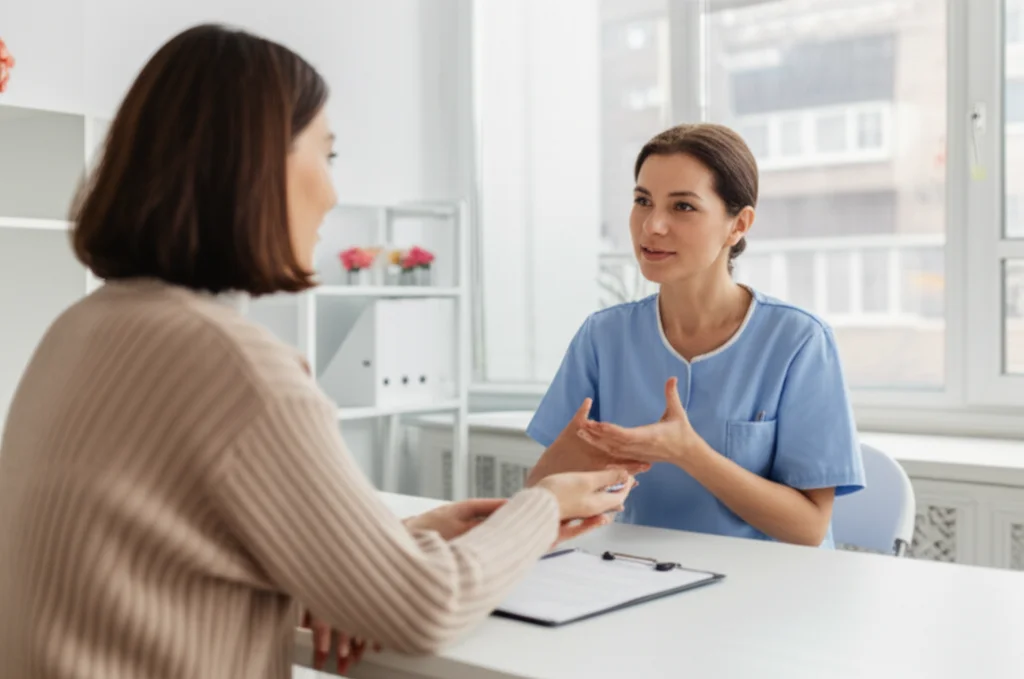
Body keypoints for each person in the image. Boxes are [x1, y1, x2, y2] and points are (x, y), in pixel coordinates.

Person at [0, 24, 634, 679]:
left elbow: (160, 561)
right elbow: (423, 608)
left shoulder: (79, 329)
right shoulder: (235, 365)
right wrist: (544, 505)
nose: (332, 194)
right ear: (255, 160)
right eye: (326, 156)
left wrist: (412, 537)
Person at [525, 123, 865, 549]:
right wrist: (578, 464)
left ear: (737, 225)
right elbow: (538, 496)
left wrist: (689, 453)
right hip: (638, 575)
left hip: (768, 591)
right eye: (642, 201)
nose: (653, 225)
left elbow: (809, 528)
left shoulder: (798, 341)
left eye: (683, 206)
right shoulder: (604, 336)